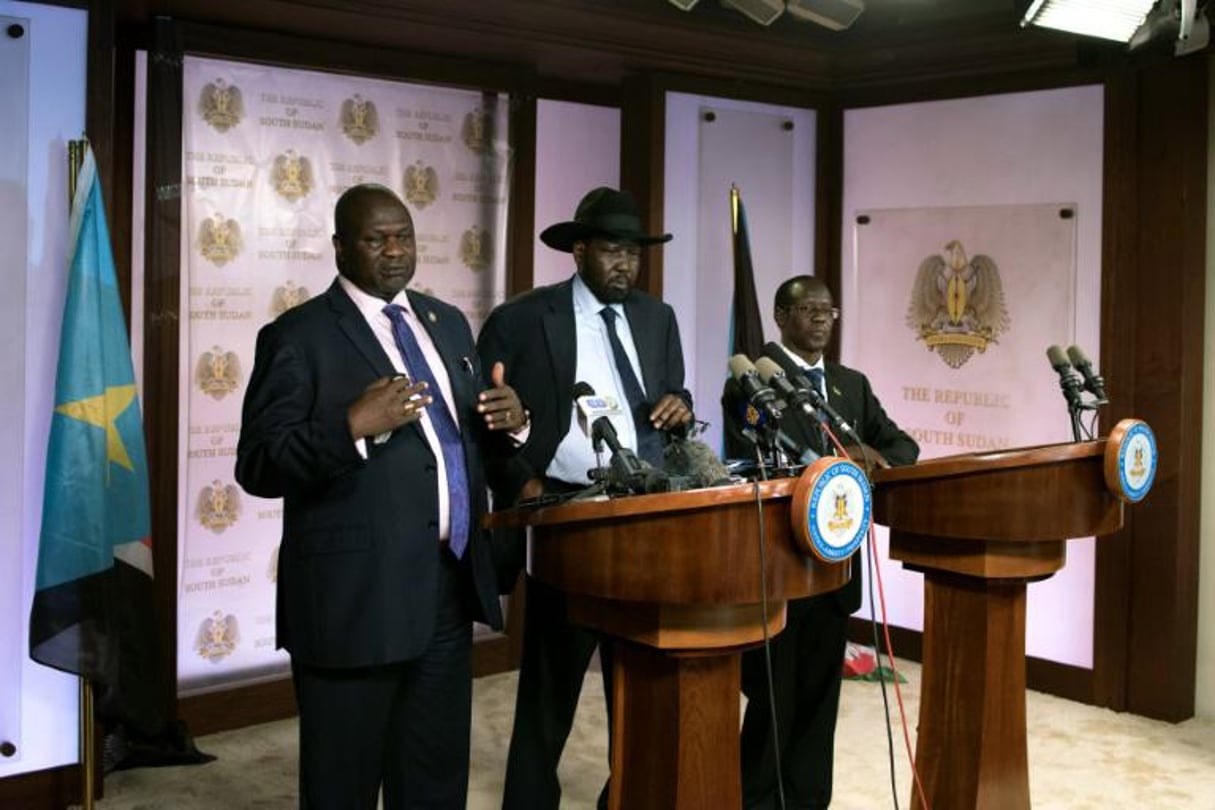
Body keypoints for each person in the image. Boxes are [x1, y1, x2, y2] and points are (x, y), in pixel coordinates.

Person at [235, 183, 526, 809]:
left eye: (404, 237)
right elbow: (258, 463)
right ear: (341, 247)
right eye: (376, 239)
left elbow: (464, 443)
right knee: (344, 786)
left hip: (446, 590)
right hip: (352, 604)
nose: (394, 252)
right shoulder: (298, 335)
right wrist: (349, 429)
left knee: (434, 779)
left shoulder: (446, 322)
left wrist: (513, 419)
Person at [476, 187, 694, 809]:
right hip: (566, 515)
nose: (624, 264)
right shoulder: (522, 318)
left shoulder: (658, 317)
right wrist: (523, 486)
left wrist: (682, 406)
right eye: (610, 251)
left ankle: (624, 795)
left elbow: (670, 395)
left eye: (633, 253)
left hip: (645, 514)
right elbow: (485, 415)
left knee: (640, 674)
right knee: (551, 682)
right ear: (578, 252)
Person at [722, 275, 919, 810]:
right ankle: (758, 800)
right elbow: (753, 454)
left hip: (836, 565)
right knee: (772, 698)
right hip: (780, 563)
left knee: (817, 698)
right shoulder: (751, 378)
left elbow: (902, 445)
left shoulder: (850, 383)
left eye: (828, 311)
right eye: (808, 309)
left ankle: (809, 800)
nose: (820, 319)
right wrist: (841, 461)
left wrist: (870, 457)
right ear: (781, 316)